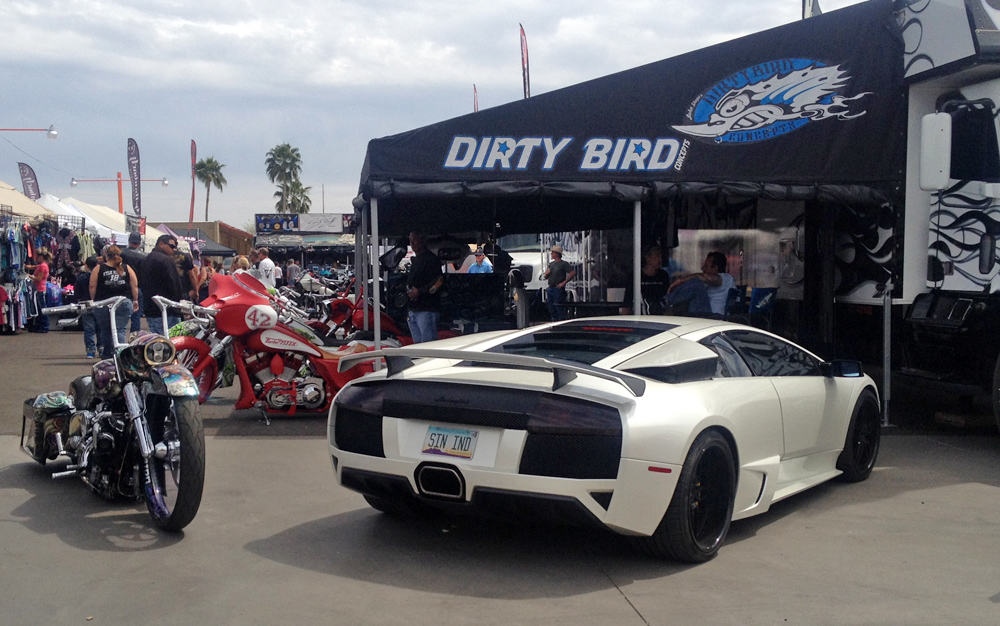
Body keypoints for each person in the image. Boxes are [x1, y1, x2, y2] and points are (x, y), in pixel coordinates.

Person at [90, 245, 139, 358]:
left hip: (103, 303)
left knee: (106, 330)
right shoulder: (127, 268)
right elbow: (134, 285)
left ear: (106, 255)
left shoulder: (99, 268)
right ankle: (121, 355)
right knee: (120, 329)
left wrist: (93, 300)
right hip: (123, 302)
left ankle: (107, 355)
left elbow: (92, 286)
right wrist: (135, 300)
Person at [666, 251, 736, 316]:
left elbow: (706, 278)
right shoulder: (713, 283)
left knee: (697, 283)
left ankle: (667, 301)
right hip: (707, 314)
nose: (702, 268)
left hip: (713, 316)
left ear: (715, 268)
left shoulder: (726, 278)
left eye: (706, 266)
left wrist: (681, 280)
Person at [141, 235, 185, 335]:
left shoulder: (145, 259)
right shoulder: (166, 260)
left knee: (157, 342)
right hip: (167, 310)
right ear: (161, 244)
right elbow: (175, 286)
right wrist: (180, 303)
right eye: (172, 246)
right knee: (171, 342)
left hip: (150, 308)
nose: (174, 249)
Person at [405, 231, 443, 343]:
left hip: (426, 309)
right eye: (410, 241)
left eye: (415, 240)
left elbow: (439, 281)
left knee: (428, 347)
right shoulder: (416, 260)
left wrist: (420, 291)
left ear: (422, 241)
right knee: (418, 349)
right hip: (413, 309)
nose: (412, 243)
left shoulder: (431, 260)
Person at [620, 245, 671, 315]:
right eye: (657, 255)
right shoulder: (636, 276)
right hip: (641, 318)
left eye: (661, 256)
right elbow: (627, 302)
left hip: (660, 317)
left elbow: (668, 299)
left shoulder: (663, 275)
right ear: (647, 258)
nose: (660, 259)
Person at [120, 232, 147, 333]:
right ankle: (134, 337)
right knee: (136, 315)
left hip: (122, 286)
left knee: (120, 315)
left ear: (129, 240)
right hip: (138, 287)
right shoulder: (144, 256)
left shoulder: (121, 253)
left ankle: (120, 335)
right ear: (139, 242)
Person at [541, 245, 575, 321]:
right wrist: (546, 274)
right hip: (551, 287)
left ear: (557, 254)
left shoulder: (563, 264)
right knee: (551, 306)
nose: (551, 254)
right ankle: (554, 319)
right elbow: (546, 277)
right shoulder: (551, 264)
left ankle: (561, 320)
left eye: (553, 253)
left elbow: (572, 273)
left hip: (558, 288)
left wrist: (564, 282)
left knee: (558, 306)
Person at [74, 256, 99, 358]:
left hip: (85, 304)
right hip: (99, 304)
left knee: (89, 329)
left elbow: (77, 293)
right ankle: (102, 349)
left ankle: (90, 351)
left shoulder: (81, 277)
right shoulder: (99, 276)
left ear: (86, 266)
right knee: (100, 328)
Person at [25, 247, 53, 332]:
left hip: (39, 289)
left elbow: (38, 278)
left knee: (41, 309)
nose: (36, 258)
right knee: (40, 308)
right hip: (39, 289)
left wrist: (28, 275)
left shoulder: (43, 266)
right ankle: (41, 326)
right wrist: (25, 266)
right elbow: (33, 267)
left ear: (41, 257)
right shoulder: (42, 265)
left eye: (37, 256)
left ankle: (44, 326)